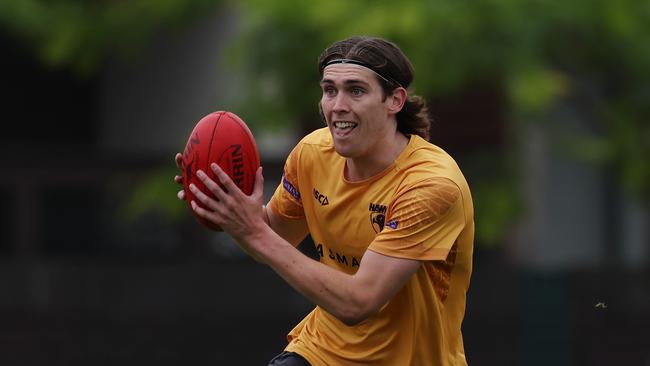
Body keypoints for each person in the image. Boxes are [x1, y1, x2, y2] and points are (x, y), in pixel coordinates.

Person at [175, 36, 474, 366]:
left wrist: (253, 233)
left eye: (355, 90)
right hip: (322, 353)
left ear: (395, 100)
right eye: (330, 90)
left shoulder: (431, 184)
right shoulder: (312, 154)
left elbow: (358, 303)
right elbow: (273, 237)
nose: (337, 105)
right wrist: (227, 207)